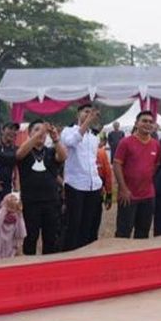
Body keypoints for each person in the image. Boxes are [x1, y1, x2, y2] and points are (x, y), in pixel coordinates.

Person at [15, 120, 66, 255]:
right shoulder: (26, 151)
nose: (41, 134)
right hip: (31, 202)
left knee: (50, 238)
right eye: (36, 130)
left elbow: (63, 156)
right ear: (30, 133)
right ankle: (29, 267)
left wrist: (55, 139)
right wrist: (40, 133)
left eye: (43, 131)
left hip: (51, 201)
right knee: (31, 237)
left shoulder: (50, 151)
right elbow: (19, 154)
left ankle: (49, 267)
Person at [60, 104, 104, 251]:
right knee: (73, 224)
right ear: (78, 114)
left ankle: (88, 254)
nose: (89, 114)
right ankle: (70, 255)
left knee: (90, 223)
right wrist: (86, 123)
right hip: (75, 185)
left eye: (92, 112)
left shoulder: (94, 136)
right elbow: (71, 142)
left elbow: (92, 160)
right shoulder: (68, 131)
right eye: (86, 112)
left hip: (94, 185)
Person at [111, 110, 161, 239]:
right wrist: (123, 188)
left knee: (143, 232)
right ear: (136, 123)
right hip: (128, 195)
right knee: (123, 232)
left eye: (150, 122)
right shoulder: (126, 142)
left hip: (148, 195)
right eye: (144, 121)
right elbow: (117, 164)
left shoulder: (156, 144)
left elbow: (155, 165)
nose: (148, 124)